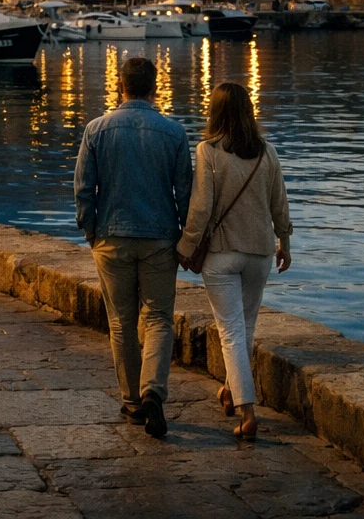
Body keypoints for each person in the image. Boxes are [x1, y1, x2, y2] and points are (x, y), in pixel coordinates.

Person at [74, 55, 192, 438]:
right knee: (158, 318)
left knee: (121, 322)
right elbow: (186, 195)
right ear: (153, 88)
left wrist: (91, 232)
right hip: (160, 238)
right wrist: (186, 237)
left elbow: (82, 189)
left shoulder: (96, 129)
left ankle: (131, 401)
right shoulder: (174, 134)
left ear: (119, 86)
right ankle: (153, 391)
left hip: (112, 236)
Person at [176, 81, 291, 440]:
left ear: (216, 111)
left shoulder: (208, 151)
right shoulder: (267, 152)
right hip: (259, 253)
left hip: (223, 254)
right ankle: (229, 391)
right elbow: (279, 203)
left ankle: (248, 412)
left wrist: (185, 246)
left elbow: (201, 209)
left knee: (230, 333)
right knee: (245, 327)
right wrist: (284, 241)